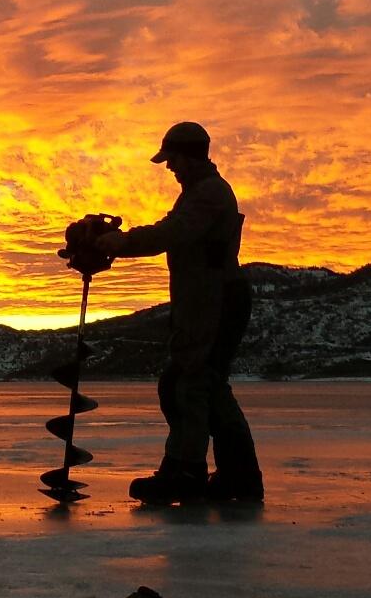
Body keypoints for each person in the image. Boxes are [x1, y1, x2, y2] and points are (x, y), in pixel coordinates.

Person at [95, 121, 264, 505]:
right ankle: (239, 476)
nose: (169, 168)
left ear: (189, 156)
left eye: (172, 159)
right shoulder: (198, 193)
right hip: (204, 303)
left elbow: (171, 233)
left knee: (189, 384)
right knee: (203, 386)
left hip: (216, 303)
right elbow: (173, 231)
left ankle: (185, 472)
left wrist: (122, 242)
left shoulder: (208, 195)